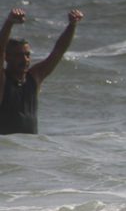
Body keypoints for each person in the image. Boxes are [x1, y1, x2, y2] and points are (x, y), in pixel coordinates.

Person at [1, 7, 84, 135]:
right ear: (7, 57)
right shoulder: (3, 79)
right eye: (18, 55)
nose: (25, 59)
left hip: (31, 148)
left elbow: (58, 51)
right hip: (7, 149)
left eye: (27, 55)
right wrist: (9, 22)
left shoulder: (34, 78)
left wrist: (72, 26)